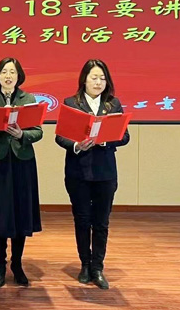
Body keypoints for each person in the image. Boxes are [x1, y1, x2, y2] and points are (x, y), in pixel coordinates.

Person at [55, 59, 130, 290]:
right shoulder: (71, 103)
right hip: (78, 172)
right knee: (82, 219)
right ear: (84, 80)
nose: (98, 82)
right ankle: (85, 265)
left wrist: (106, 139)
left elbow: (125, 136)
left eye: (102, 78)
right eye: (94, 77)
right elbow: (60, 137)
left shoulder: (113, 104)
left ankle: (98, 267)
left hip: (105, 172)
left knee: (101, 222)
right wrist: (77, 145)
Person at [0, 58, 43, 288]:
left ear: (19, 76)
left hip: (23, 162)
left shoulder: (28, 99)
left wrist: (21, 134)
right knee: (0, 213)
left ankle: (17, 263)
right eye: (4, 72)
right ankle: (0, 265)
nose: (8, 76)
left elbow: (38, 132)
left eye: (12, 72)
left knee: (21, 212)